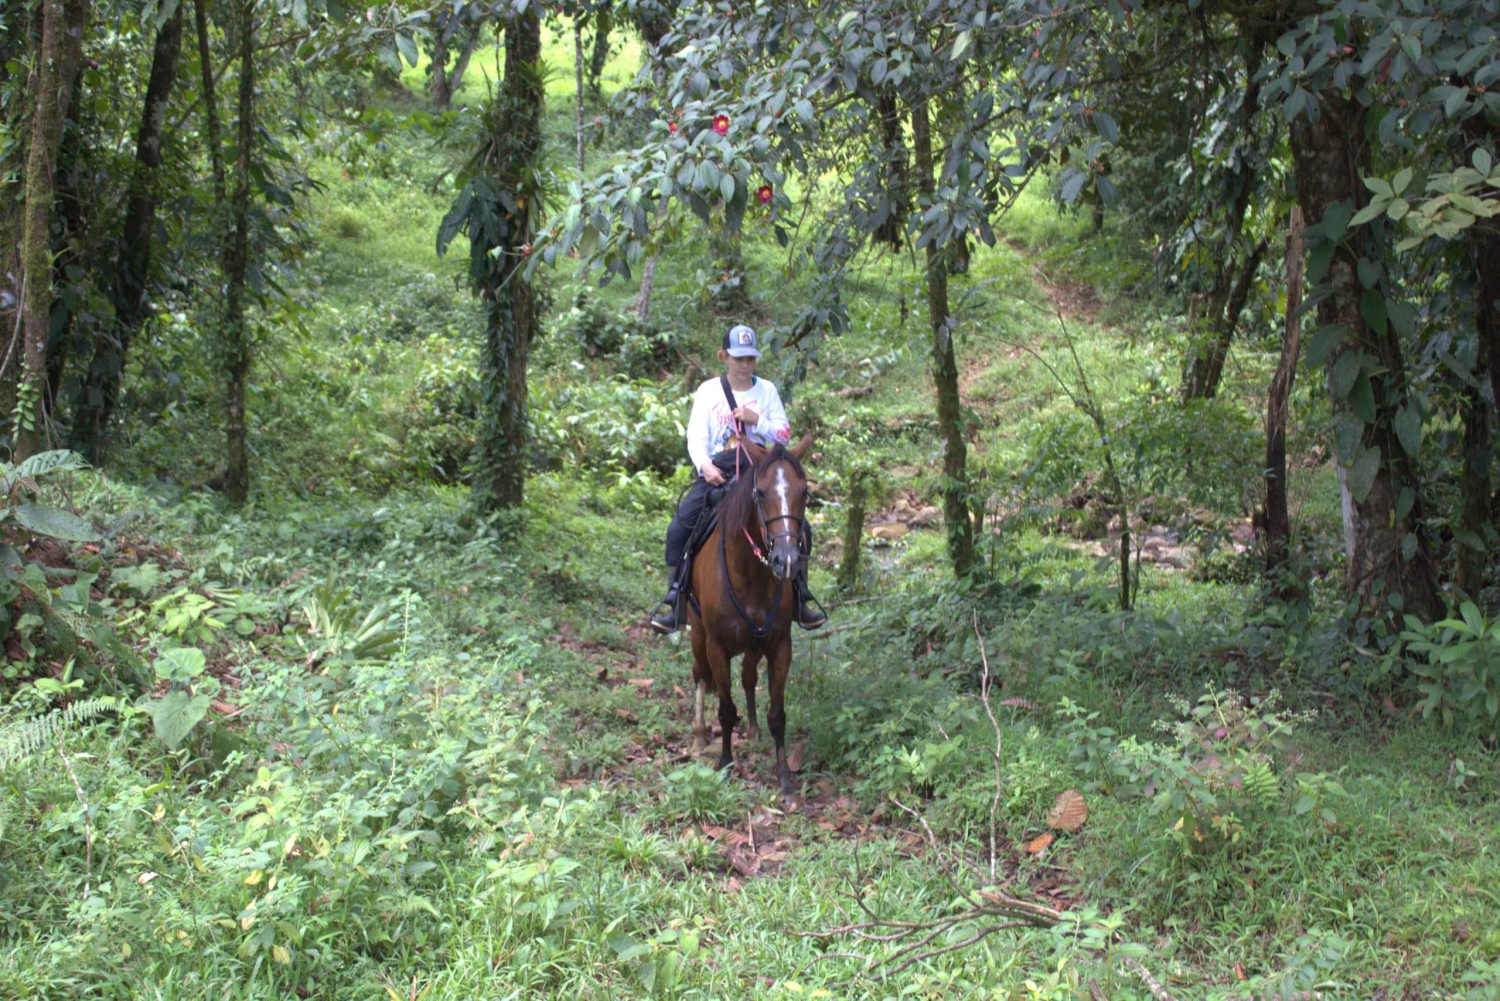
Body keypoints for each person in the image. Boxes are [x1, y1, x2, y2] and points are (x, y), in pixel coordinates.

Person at [649, 324, 827, 634]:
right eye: (738, 358)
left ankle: (800, 597)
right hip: (718, 471)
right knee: (679, 528)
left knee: (801, 528)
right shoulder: (708, 391)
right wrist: (705, 466)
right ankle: (676, 600)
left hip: (757, 472)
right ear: (724, 357)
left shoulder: (767, 391)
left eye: (750, 359)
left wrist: (758, 420)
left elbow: (784, 436)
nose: (745, 365)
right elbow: (696, 437)